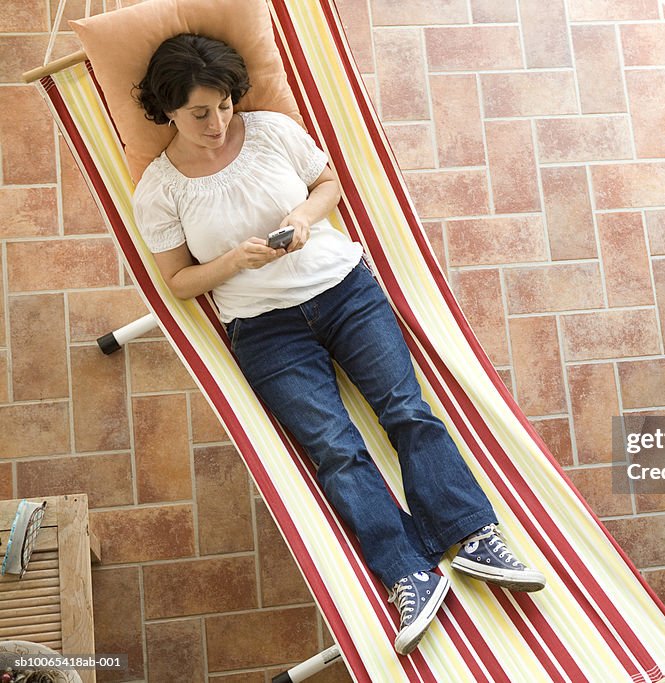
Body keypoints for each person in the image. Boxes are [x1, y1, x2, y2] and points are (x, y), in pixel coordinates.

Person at [132, 33, 545, 656]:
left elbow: (329, 185)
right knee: (335, 449)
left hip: (345, 290)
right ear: (167, 110)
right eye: (199, 113)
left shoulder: (269, 131)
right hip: (264, 328)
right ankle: (408, 571)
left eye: (223, 106)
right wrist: (232, 262)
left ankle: (472, 534)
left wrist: (301, 219)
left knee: (407, 409)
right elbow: (179, 280)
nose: (217, 123)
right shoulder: (160, 189)